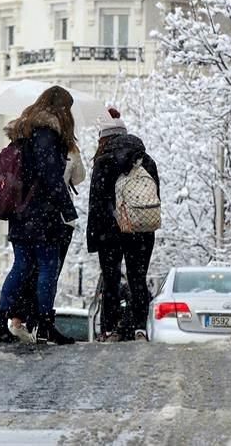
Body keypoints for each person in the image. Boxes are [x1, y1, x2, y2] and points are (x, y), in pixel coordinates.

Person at [0, 86, 78, 345]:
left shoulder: (24, 131)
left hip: (20, 211)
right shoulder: (47, 135)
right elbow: (50, 176)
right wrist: (66, 208)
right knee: (48, 266)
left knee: (22, 265)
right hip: (41, 214)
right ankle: (45, 324)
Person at [87, 108, 159, 342]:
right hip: (141, 228)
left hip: (111, 230)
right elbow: (154, 196)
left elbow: (96, 203)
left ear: (104, 138)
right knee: (138, 278)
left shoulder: (103, 161)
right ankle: (140, 328)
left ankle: (110, 329)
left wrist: (94, 237)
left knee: (111, 279)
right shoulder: (145, 160)